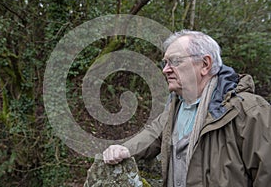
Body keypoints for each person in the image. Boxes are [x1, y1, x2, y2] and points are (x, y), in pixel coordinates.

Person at [102, 30, 271, 187]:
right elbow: (155, 134)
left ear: (205, 64)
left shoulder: (250, 110)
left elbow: (265, 174)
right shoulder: (176, 104)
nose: (165, 70)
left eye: (175, 61)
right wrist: (125, 149)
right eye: (165, 63)